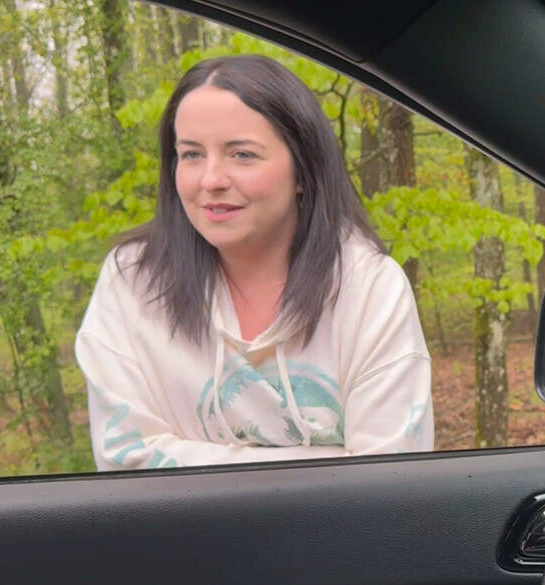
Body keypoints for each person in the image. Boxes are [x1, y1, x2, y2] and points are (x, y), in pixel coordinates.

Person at [75, 55, 433, 471]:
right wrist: (331, 463)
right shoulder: (133, 282)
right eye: (191, 155)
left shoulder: (368, 288)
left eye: (242, 154)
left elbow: (391, 479)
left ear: (303, 170)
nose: (211, 180)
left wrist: (185, 456)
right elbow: (126, 461)